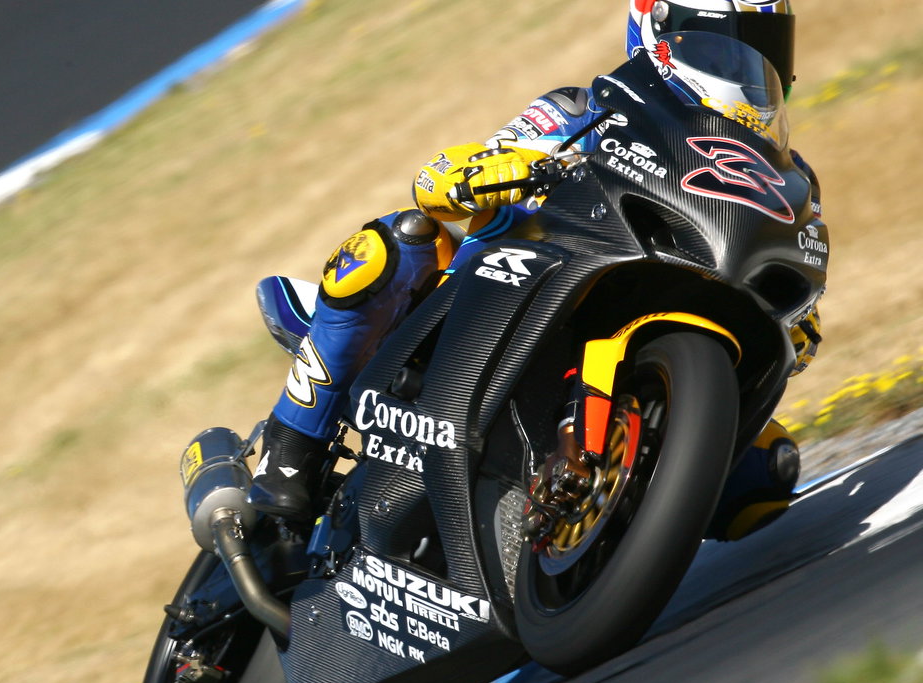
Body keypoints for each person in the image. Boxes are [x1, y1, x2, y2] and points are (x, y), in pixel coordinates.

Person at [249, 0, 820, 541]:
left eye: (766, 48)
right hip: (493, 301)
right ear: (660, 32)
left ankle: (596, 546)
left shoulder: (785, 175)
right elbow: (442, 181)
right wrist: (485, 172)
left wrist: (796, 318)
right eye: (724, 49)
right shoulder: (582, 109)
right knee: (399, 242)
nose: (751, 68)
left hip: (638, 312)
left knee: (766, 478)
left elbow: (792, 260)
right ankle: (289, 451)